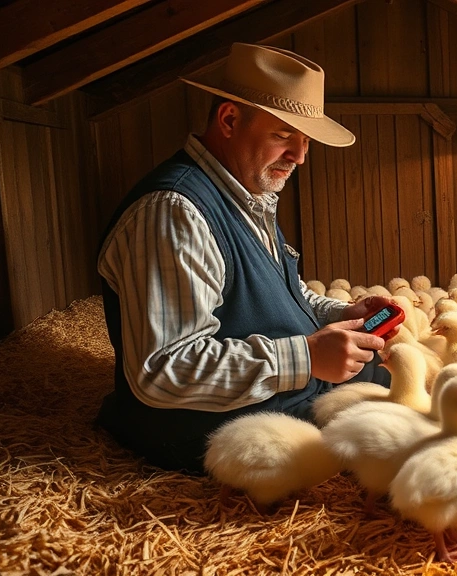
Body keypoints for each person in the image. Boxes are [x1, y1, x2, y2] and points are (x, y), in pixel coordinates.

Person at [96, 43, 395, 474]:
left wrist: (344, 310)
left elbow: (279, 293)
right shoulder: (174, 212)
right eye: (283, 136)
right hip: (216, 428)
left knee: (386, 380)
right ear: (230, 119)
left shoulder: (245, 190)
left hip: (274, 394)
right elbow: (162, 370)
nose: (300, 156)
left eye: (305, 140)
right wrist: (306, 358)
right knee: (392, 422)